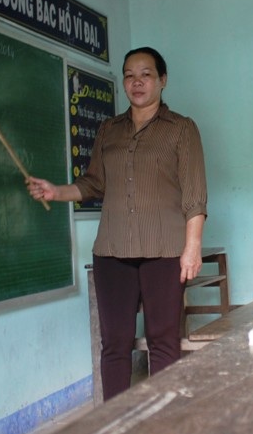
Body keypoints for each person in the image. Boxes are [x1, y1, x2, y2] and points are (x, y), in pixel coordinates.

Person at [27, 46, 208, 401]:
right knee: (114, 344)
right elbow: (93, 183)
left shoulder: (182, 129)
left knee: (163, 341)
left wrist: (192, 248)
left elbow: (195, 196)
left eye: (146, 74)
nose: (136, 82)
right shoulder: (109, 130)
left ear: (162, 80)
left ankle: (166, 421)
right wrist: (55, 192)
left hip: (165, 251)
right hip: (112, 251)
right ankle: (116, 422)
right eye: (129, 75)